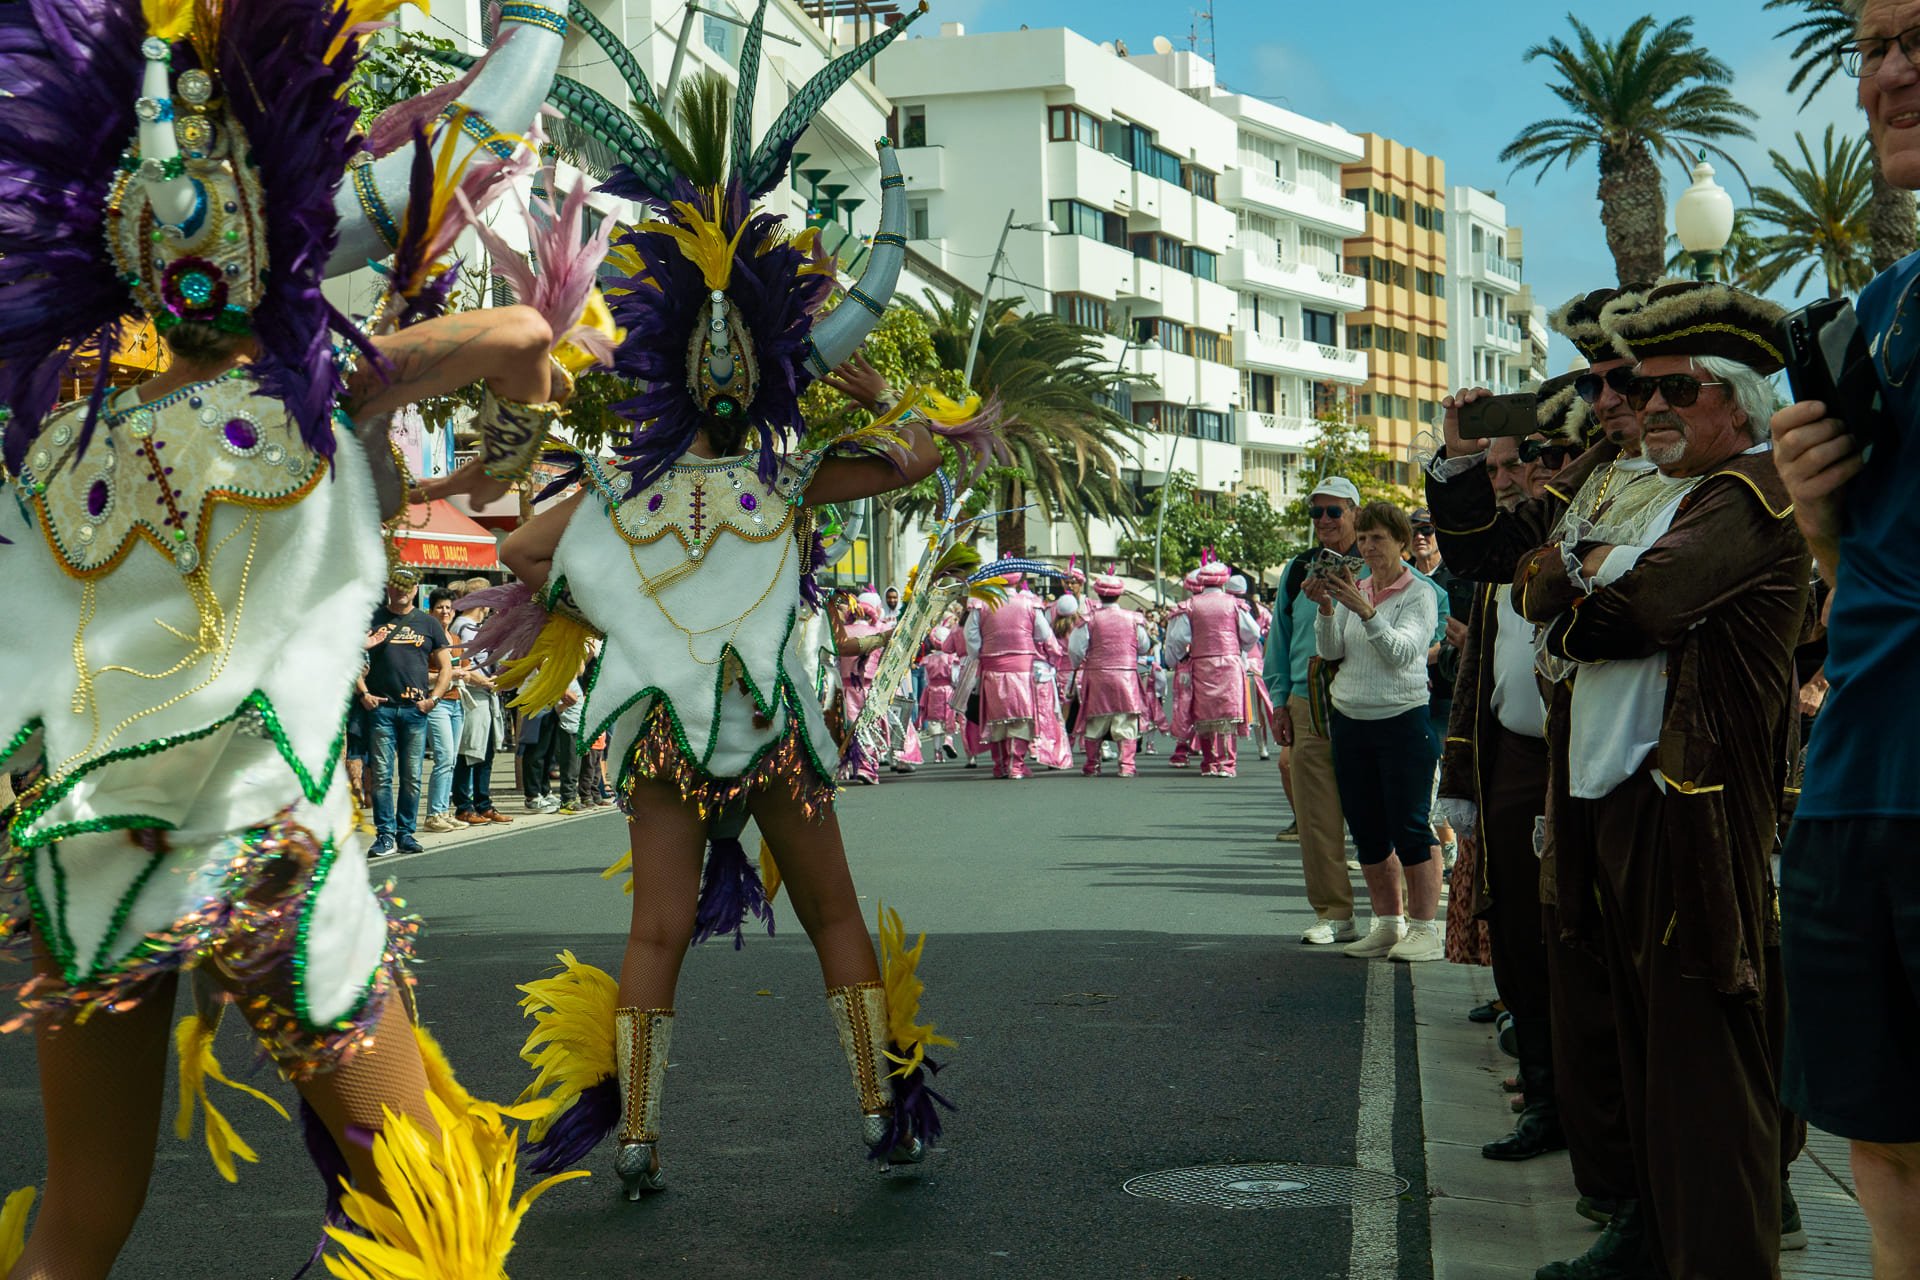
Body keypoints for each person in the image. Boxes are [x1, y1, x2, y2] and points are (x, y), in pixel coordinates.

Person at [0, 0, 580, 1270]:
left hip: (85, 867)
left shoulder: (49, 433)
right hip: (261, 869)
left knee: (80, 1216)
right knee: (425, 1193)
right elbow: (513, 330)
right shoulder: (295, 390)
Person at [483, 32, 972, 1199]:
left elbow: (518, 550)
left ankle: (641, 1138)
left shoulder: (621, 488)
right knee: (834, 914)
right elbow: (917, 460)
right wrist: (881, 394)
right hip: (777, 742)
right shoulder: (794, 475)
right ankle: (880, 1114)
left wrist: (609, 613)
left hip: (662, 736)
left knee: (654, 933)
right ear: (768, 381)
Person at [1448, 282, 1810, 1279]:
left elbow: (1635, 608)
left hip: (1691, 811)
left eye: (1673, 390)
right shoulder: (1642, 488)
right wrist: (1577, 564)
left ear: (1736, 401)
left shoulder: (1750, 490)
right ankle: (1654, 1239)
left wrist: (1578, 579)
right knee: (1645, 1047)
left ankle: (1722, 1257)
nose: (1645, 409)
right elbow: (1513, 566)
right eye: (1636, 390)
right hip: (1611, 799)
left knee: (1701, 1058)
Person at [1428, 286, 1646, 1243]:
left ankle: (1667, 1187)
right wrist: (1462, 455)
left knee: (1626, 980)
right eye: (1596, 391)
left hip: (1645, 770)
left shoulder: (1727, 492)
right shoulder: (1585, 494)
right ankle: (1579, 1141)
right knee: (1536, 945)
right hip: (1541, 759)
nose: (1608, 412)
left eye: (1627, 386)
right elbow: (1478, 552)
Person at [1774, 8, 1920, 1272]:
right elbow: (1852, 567)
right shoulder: (1880, 302)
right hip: (1854, 788)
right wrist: (1818, 511)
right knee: (1881, 1137)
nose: (1892, 72)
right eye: (1876, 44)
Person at [1433, 375, 1589, 1165]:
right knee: (1522, 942)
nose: (1539, 468)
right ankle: (1546, 1101)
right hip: (1511, 759)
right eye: (1532, 455)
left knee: (1579, 944)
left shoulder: (1596, 511)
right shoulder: (1516, 545)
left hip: (1583, 761)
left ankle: (1597, 1119)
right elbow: (1479, 678)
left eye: (1551, 453)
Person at [1305, 502, 1443, 962]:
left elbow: (1404, 653)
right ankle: (1387, 923)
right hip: (1352, 722)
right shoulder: (1356, 586)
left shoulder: (1418, 593)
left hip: (1402, 721)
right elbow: (1331, 652)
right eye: (1363, 539)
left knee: (1410, 827)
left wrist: (1367, 611)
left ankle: (1425, 927)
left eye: (1378, 538)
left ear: (1402, 543)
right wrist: (1327, 609)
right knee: (1367, 830)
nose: (1367, 547)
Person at [1266, 478, 1365, 943]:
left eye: (1334, 511)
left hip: (1369, 689)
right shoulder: (1298, 568)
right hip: (1308, 692)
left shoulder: (1378, 562)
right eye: (1316, 513)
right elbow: (1279, 640)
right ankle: (1334, 912)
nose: (1324, 521)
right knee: (1316, 812)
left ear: (1355, 513)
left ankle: (1396, 913)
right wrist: (1281, 697)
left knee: (1377, 805)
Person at [359, 573, 453, 857]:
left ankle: (406, 833)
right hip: (381, 708)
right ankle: (385, 835)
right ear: (388, 588)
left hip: (415, 709)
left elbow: (446, 666)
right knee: (382, 776)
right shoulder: (371, 617)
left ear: (415, 590)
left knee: (412, 776)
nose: (401, 592)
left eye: (406, 587)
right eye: (396, 586)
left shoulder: (429, 623)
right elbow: (346, 655)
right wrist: (363, 693)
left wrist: (434, 699)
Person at [1165, 562, 1260, 777]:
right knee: (1228, 714)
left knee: (1204, 715)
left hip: (1202, 663)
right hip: (1229, 663)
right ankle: (1227, 764)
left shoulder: (1191, 604)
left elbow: (1179, 638)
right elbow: (1252, 633)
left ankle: (1209, 763)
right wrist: (1239, 648)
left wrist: (1185, 655)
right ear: (1224, 580)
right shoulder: (1235, 604)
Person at [966, 575, 1053, 779]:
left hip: (992, 667)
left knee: (996, 717)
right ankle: (1016, 765)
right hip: (1022, 668)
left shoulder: (982, 603)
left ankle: (1001, 765)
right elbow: (1043, 633)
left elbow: (971, 637)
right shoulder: (1030, 604)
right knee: (1020, 716)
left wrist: (980, 654)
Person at [1071, 574, 1152, 777]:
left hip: (1097, 675)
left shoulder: (1089, 619)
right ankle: (1126, 765)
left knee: (1096, 719)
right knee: (1125, 718)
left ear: (1098, 593)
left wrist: (1079, 664)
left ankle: (1092, 765)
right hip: (1125, 676)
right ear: (1120, 594)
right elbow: (1144, 646)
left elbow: (1076, 649)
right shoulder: (1133, 618)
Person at [450, 577, 514, 825]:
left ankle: (482, 802)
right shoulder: (464, 626)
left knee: (484, 752)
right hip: (474, 695)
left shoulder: (472, 626)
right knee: (471, 751)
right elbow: (467, 664)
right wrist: (488, 682)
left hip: (485, 695)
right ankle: (465, 805)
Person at [419, 588, 469, 832]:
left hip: (457, 701)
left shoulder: (456, 640)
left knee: (451, 761)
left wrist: (463, 674)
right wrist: (445, 674)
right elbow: (419, 674)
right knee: (444, 758)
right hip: (437, 703)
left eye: (449, 607)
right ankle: (433, 815)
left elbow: (466, 668)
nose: (446, 611)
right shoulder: (427, 638)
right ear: (432, 611)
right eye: (440, 607)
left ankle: (443, 811)